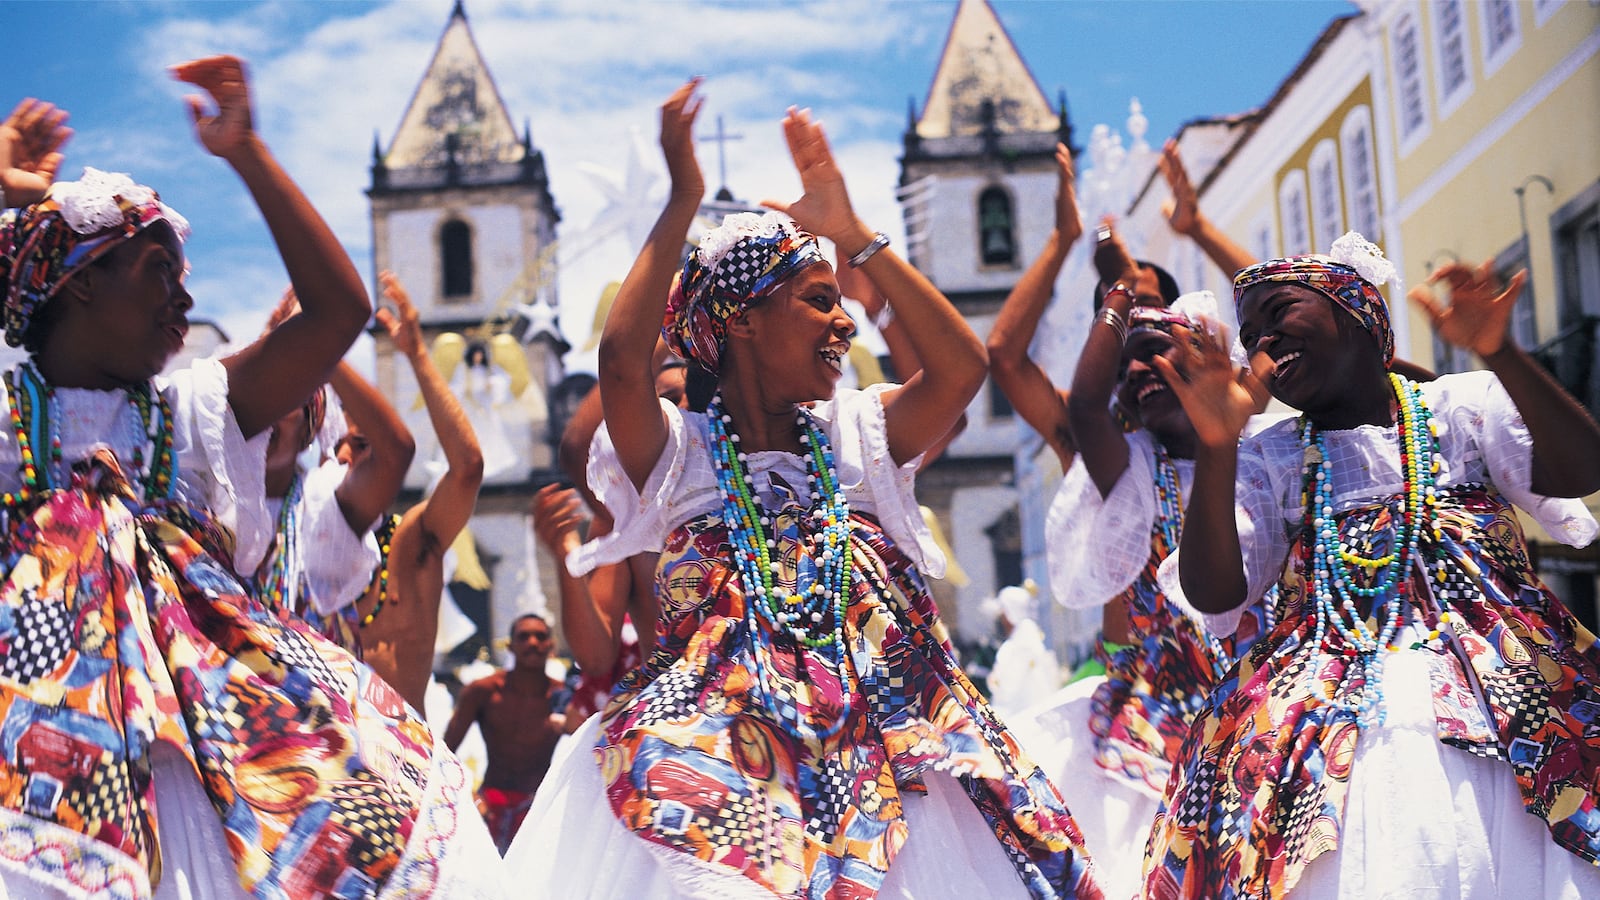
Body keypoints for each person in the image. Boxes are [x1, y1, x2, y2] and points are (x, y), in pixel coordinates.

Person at [505, 80, 1101, 899]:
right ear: (743, 318)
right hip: (725, 762)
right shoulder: (679, 458)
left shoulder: (855, 435)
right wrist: (682, 202)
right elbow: (617, 366)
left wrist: (855, 239)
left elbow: (962, 368)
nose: (846, 323)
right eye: (820, 302)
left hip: (886, 752)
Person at [0, 58, 504, 898]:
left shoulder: (192, 417)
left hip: (193, 750)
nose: (183, 300)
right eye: (157, 269)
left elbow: (339, 312)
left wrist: (248, 154)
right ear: (80, 284)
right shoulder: (9, 424)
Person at [1142, 234, 1600, 899]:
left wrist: (1500, 351)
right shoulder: (1268, 460)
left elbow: (1580, 471)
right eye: (1250, 334)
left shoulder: (1461, 410)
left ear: (1356, 312)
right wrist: (1218, 448)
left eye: (1280, 314)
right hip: (1330, 708)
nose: (1263, 342)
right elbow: (1215, 594)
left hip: (1510, 688)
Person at [1013, 228, 1269, 897]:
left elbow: (1282, 321)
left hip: (1255, 703)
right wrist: (1119, 288)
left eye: (1157, 350)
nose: (1136, 369)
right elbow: (1076, 399)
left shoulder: (1266, 456)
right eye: (1126, 357)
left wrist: (1195, 228)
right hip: (1148, 718)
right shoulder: (1125, 469)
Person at [256, 289, 415, 654]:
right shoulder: (204, 498)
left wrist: (317, 343)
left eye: (282, 399)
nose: (264, 412)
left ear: (308, 428)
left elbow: (396, 452)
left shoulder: (322, 507)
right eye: (254, 395)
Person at [356, 271, 485, 713]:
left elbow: (467, 469)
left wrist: (418, 357)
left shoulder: (407, 546)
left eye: (363, 447)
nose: (348, 459)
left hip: (407, 765)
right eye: (338, 446)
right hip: (328, 769)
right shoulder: (293, 554)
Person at [443, 612, 566, 855]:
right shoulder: (483, 692)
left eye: (540, 637)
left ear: (551, 646)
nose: (532, 643)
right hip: (490, 802)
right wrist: (469, 798)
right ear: (510, 646)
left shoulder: (562, 697)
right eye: (524, 637)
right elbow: (445, 753)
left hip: (536, 806)